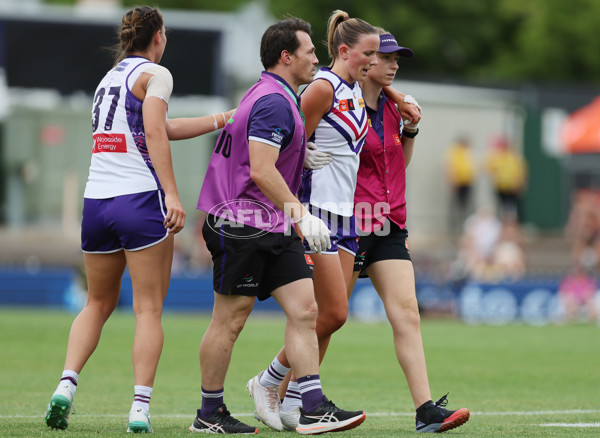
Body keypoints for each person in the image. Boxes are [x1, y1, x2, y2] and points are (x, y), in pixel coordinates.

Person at [44, 6, 234, 433]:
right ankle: (139, 409)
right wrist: (171, 193)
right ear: (159, 35)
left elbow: (159, 125)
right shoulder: (155, 74)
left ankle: (64, 387)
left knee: (97, 303)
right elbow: (152, 132)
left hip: (96, 204)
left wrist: (223, 119)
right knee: (149, 309)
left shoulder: (109, 78)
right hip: (139, 200)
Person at [247, 11, 422, 432]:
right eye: (369, 54)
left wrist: (399, 100)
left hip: (347, 217)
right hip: (319, 213)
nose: (374, 61)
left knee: (333, 316)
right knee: (326, 314)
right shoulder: (324, 87)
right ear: (344, 51)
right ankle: (273, 385)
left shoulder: (353, 91)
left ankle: (287, 397)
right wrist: (300, 158)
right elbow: (290, 132)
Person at [191, 17, 366, 435]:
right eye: (308, 51)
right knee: (230, 320)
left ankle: (312, 405)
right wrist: (301, 213)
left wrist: (297, 156)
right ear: (286, 57)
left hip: (270, 222)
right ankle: (209, 413)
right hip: (242, 221)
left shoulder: (276, 94)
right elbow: (261, 169)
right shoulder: (272, 99)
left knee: (307, 311)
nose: (315, 58)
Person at [348, 28, 471, 433]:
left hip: (389, 222)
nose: (394, 64)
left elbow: (398, 165)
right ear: (365, 61)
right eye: (387, 58)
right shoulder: (342, 103)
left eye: (397, 58)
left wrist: (410, 131)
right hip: (348, 223)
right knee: (326, 318)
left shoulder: (392, 108)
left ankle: (425, 410)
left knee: (408, 314)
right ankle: (273, 384)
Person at [485, 135, 527, 220]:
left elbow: (521, 171)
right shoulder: (497, 156)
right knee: (501, 206)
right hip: (500, 186)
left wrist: (520, 184)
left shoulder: (514, 156)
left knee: (512, 206)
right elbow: (490, 169)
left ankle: (514, 224)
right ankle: (502, 223)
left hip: (512, 187)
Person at [445, 135, 477, 232]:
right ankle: (454, 227)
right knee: (455, 206)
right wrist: (452, 181)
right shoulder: (454, 152)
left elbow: (473, 167)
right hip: (457, 184)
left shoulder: (469, 152)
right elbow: (450, 168)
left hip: (467, 183)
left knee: (466, 206)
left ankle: (466, 226)